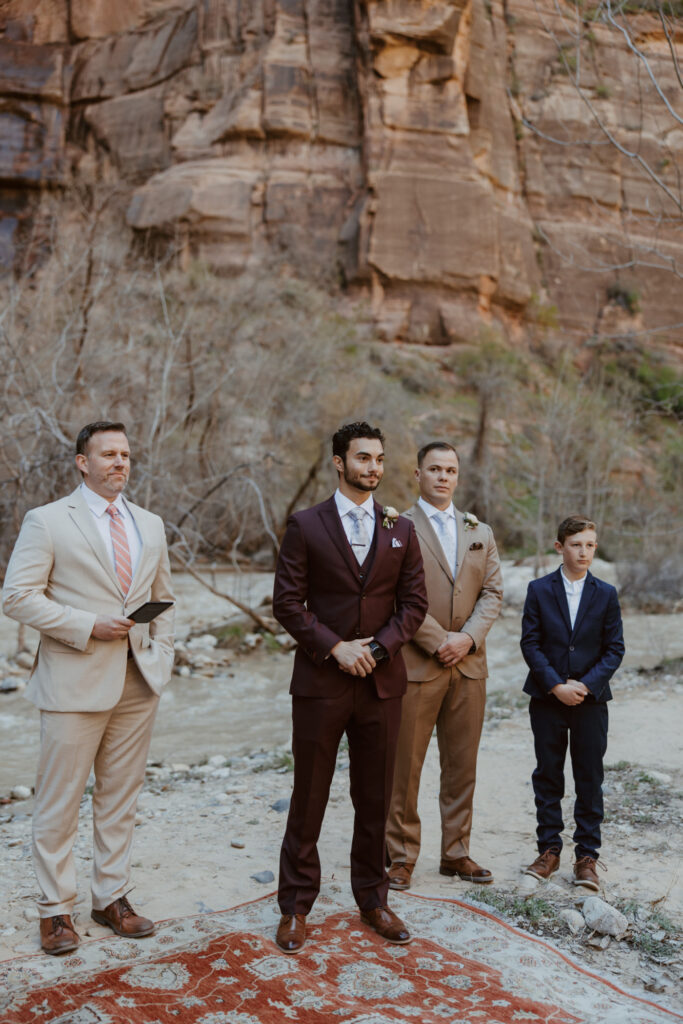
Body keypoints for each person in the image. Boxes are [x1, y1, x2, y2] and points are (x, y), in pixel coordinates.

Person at [2, 421, 175, 955]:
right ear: (83, 462)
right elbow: (16, 597)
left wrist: (162, 657)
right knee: (59, 801)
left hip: (137, 681)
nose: (119, 463)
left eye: (125, 454)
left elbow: (166, 597)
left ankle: (111, 897)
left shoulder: (150, 523)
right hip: (73, 680)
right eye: (107, 454)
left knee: (120, 799)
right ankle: (55, 911)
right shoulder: (48, 520)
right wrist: (85, 624)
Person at [272, 421, 427, 953]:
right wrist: (337, 647)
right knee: (308, 795)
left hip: (382, 683)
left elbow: (414, 606)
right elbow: (287, 604)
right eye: (363, 458)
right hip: (321, 680)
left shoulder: (400, 528)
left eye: (379, 459)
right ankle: (295, 907)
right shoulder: (306, 525)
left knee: (375, 797)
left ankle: (374, 900)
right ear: (339, 462)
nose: (374, 468)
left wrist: (378, 649)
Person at [386, 442, 503, 890]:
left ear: (458, 476)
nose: (443, 476)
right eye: (434, 468)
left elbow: (492, 593)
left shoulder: (480, 531)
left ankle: (456, 852)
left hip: (469, 667)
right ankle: (400, 856)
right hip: (417, 663)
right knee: (405, 765)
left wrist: (468, 638)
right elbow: (395, 595)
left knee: (462, 765)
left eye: (450, 470)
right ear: (417, 474)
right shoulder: (397, 528)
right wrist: (439, 641)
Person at [520, 514, 624, 890]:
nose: (584, 552)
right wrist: (555, 685)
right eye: (576, 544)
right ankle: (549, 849)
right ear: (559, 546)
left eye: (590, 545)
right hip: (547, 699)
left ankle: (587, 856)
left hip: (591, 701)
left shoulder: (607, 593)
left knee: (589, 776)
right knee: (548, 774)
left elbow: (615, 649)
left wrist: (585, 684)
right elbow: (529, 643)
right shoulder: (539, 589)